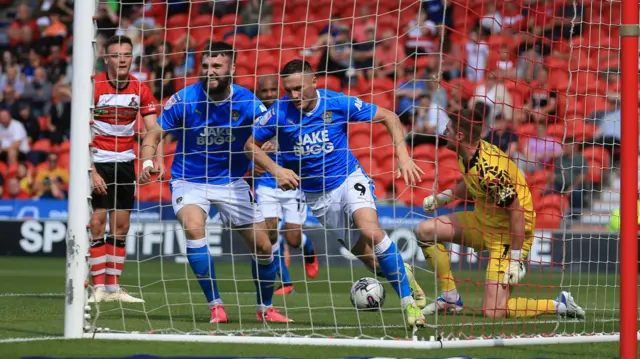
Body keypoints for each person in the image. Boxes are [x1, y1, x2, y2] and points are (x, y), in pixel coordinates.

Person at [246, 59, 427, 328]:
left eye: (299, 89)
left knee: (372, 230)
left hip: (348, 178)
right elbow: (250, 144)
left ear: (314, 82)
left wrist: (403, 155)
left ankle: (409, 305)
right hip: (317, 197)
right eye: (289, 90)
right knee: (373, 262)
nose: (293, 96)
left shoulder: (337, 103)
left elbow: (389, 116)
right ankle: (405, 273)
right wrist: (275, 170)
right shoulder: (279, 113)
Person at [155, 42, 293, 324]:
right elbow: (154, 133)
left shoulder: (247, 101)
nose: (210, 71)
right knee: (194, 229)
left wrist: (271, 146)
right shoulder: (184, 99)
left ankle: (265, 308)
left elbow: (271, 130)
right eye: (205, 66)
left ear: (232, 67)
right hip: (189, 179)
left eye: (216, 66)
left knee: (264, 247)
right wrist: (150, 161)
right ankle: (215, 305)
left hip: (231, 181)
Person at [412, 108, 585, 319]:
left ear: (460, 136)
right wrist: (443, 198)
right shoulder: (466, 153)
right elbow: (472, 182)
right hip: (481, 221)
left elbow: (516, 213)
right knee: (425, 231)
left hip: (506, 235)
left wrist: (515, 259)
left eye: (448, 128)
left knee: (494, 312)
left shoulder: (491, 171)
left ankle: (559, 304)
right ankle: (449, 297)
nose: (444, 131)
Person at [88, 35, 165, 304]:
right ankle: (97, 287)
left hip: (124, 163)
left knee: (120, 227)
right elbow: (81, 132)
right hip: (97, 161)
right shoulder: (93, 86)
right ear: (106, 58)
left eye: (126, 55)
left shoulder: (140, 89)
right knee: (97, 224)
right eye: (116, 55)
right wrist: (91, 171)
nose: (122, 60)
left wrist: (148, 162)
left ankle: (113, 288)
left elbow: (153, 129)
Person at [253, 74, 319, 295]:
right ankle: (286, 281)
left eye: (273, 90)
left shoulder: (289, 111)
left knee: (292, 238)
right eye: (264, 91)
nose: (269, 95)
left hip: (292, 182)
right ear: (258, 93)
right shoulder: (252, 116)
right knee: (270, 233)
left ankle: (308, 250)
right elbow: (245, 146)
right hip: (265, 185)